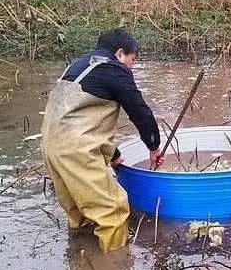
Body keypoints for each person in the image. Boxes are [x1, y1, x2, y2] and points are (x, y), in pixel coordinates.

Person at [41, 28, 163, 252]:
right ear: (119, 54)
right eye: (132, 59)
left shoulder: (79, 65)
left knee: (80, 212)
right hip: (76, 151)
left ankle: (80, 260)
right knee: (113, 212)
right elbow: (139, 110)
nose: (132, 66)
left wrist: (114, 155)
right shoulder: (114, 69)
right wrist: (153, 146)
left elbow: (82, 120)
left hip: (51, 146)